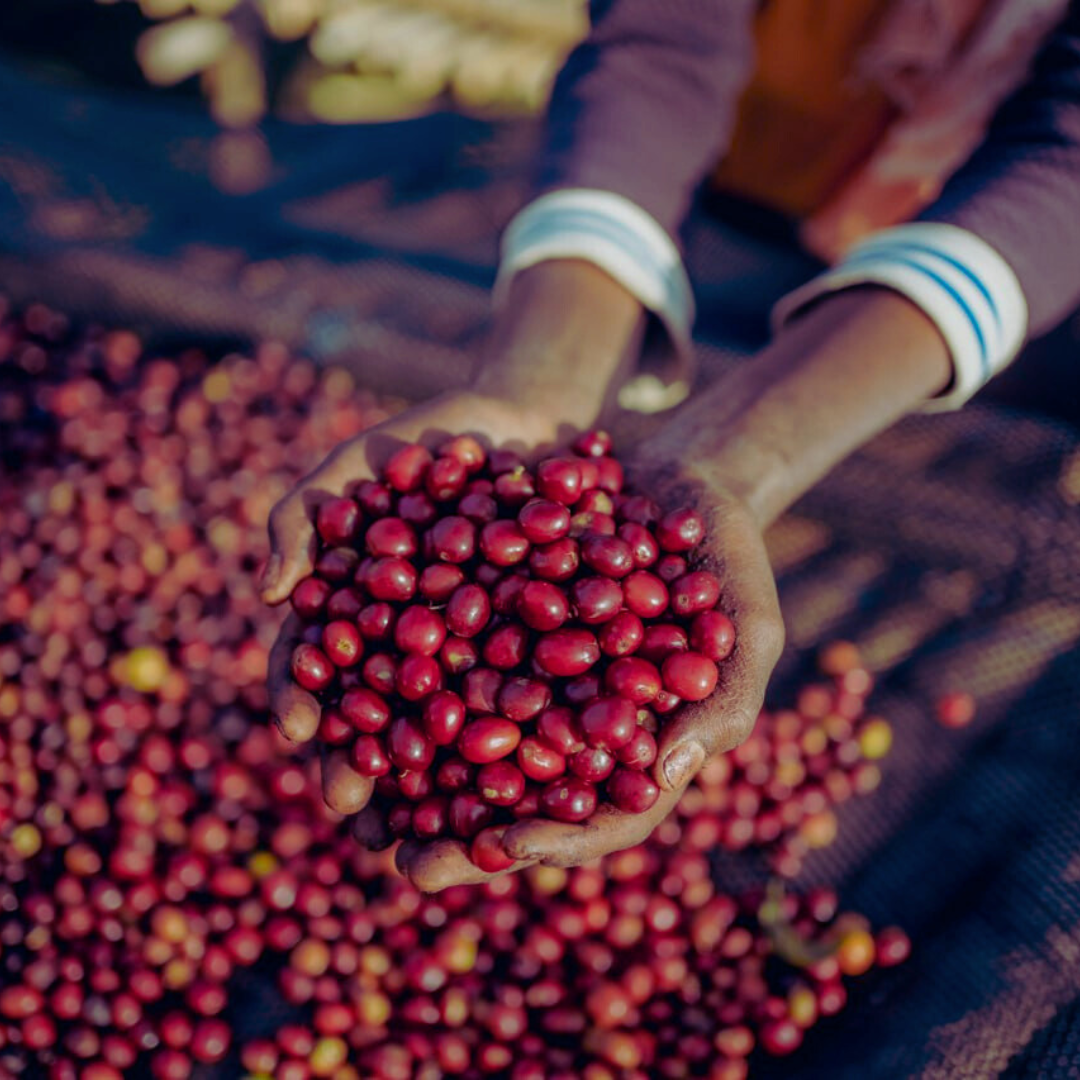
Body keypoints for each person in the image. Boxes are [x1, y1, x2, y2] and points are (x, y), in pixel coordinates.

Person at [261, 0, 1080, 892]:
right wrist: (539, 378)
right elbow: (661, 34)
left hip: (995, 252)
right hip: (724, 167)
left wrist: (737, 456)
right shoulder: (525, 606)